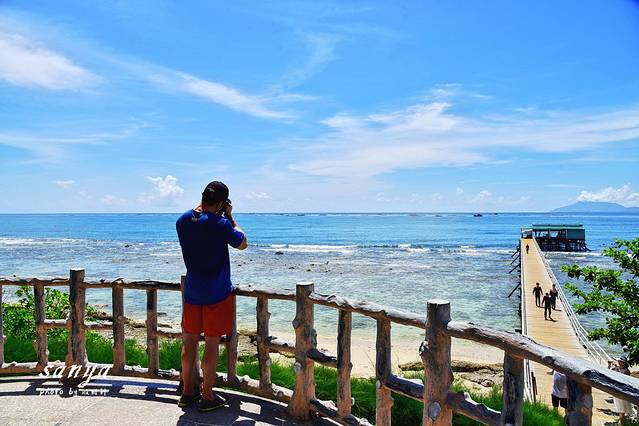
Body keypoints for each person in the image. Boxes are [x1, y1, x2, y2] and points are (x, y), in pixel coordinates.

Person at [176, 181, 248, 411]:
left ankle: (187, 392)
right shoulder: (221, 224)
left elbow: (197, 220)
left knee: (189, 342)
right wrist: (230, 216)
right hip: (216, 292)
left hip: (192, 291)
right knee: (211, 343)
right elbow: (243, 243)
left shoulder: (182, 221)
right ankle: (207, 396)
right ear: (221, 203)